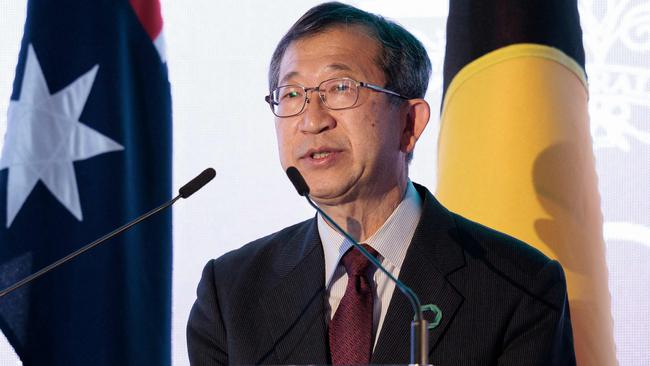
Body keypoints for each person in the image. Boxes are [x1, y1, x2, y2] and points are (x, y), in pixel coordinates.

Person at [186, 2, 576, 365]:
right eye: (291, 94)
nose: (311, 120)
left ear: (409, 124)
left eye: (340, 88)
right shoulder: (232, 292)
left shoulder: (517, 286)